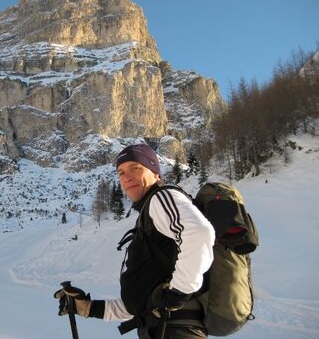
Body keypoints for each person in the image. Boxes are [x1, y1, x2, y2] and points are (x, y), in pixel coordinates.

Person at [54, 143, 215, 339]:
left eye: (135, 168)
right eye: (120, 172)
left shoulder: (161, 197)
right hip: (163, 328)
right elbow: (140, 303)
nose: (126, 177)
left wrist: (179, 293)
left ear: (155, 173)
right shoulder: (149, 216)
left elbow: (198, 232)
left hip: (176, 329)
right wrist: (88, 308)